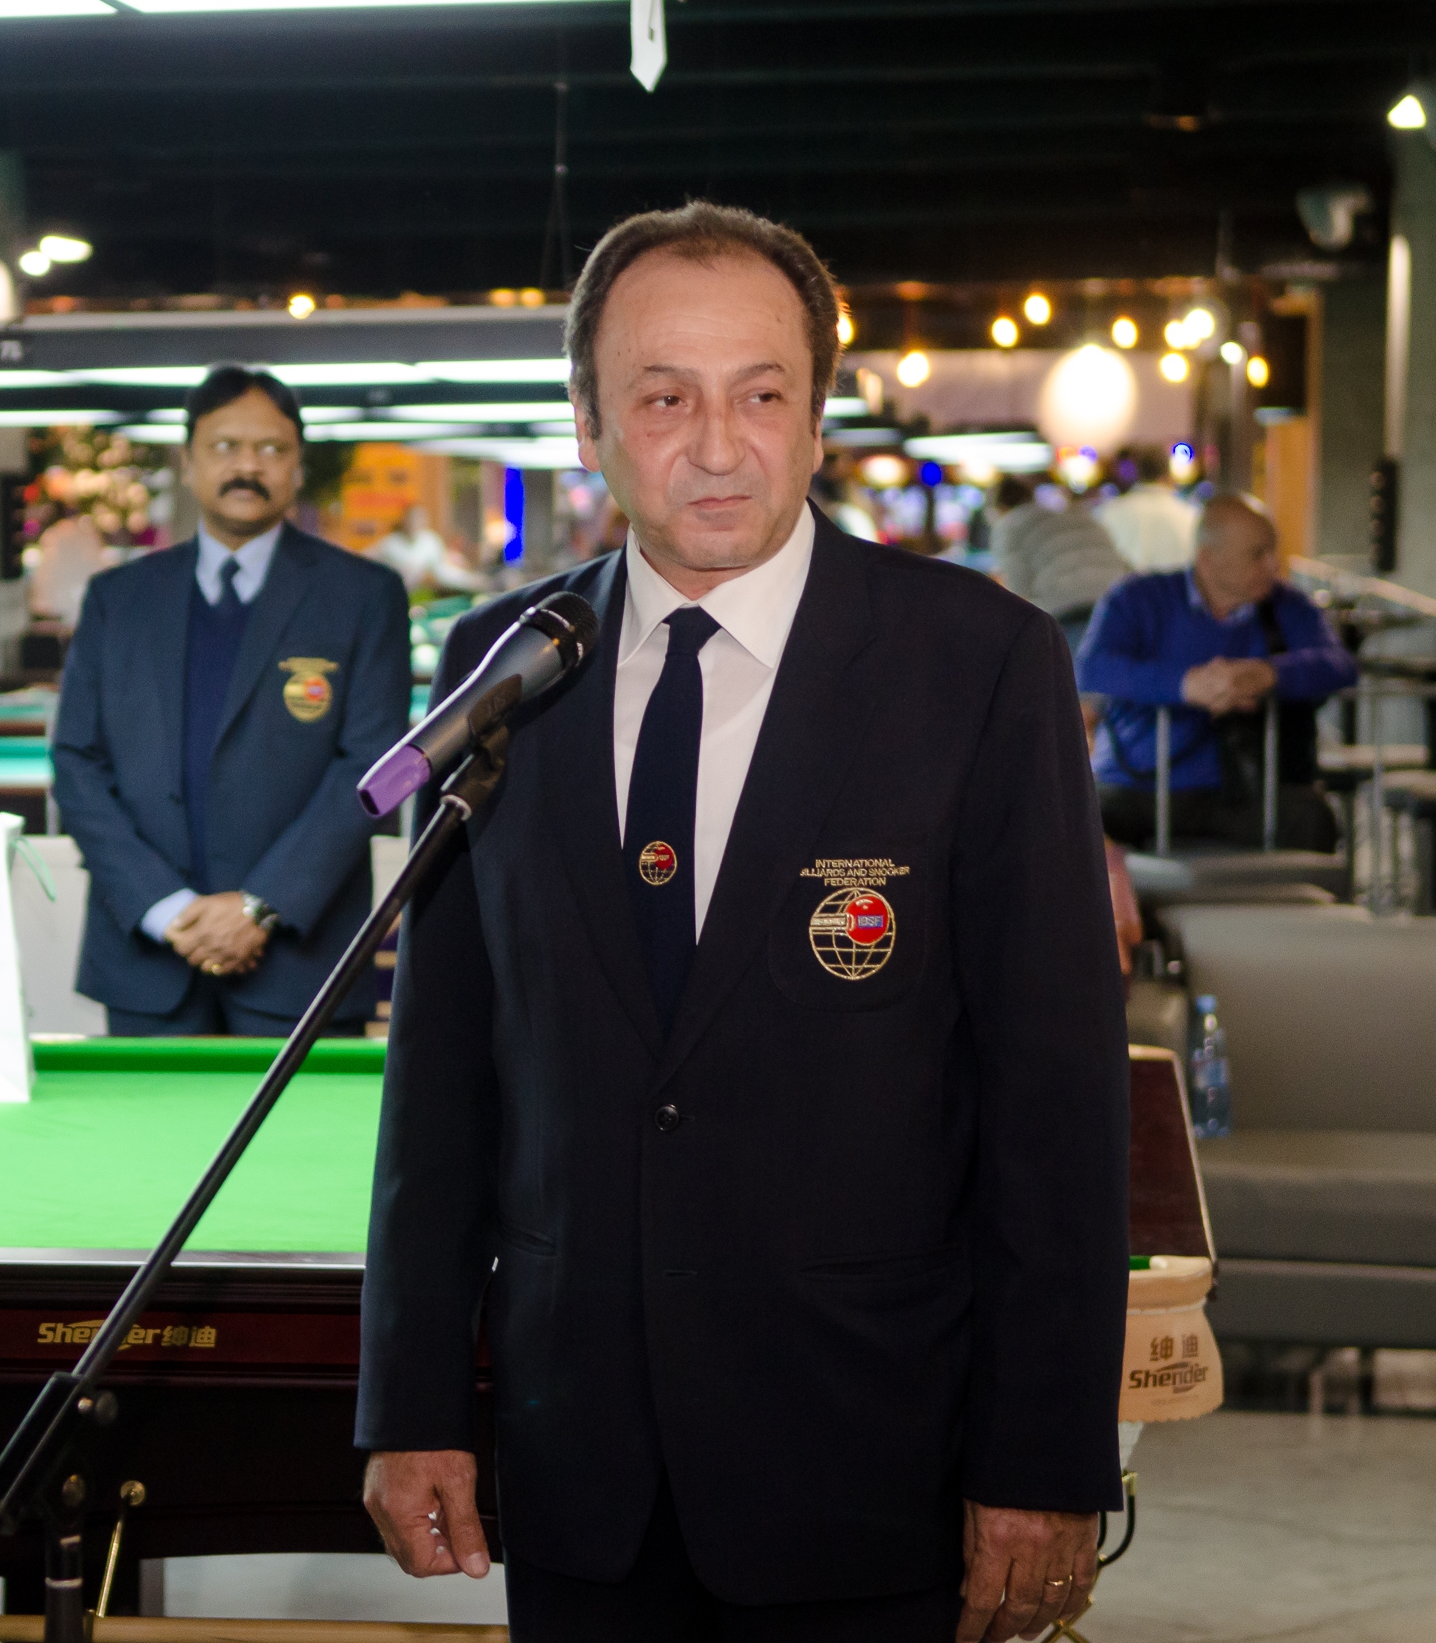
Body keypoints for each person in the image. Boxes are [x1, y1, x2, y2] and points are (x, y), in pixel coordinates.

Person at [357, 202, 1129, 1643]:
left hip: (869, 1453)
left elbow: (1057, 1103)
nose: (719, 447)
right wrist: (412, 1404)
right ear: (587, 426)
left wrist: (1041, 1460)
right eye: (665, 399)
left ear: (818, 417)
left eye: (761, 395)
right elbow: (442, 1076)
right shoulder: (501, 665)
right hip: (577, 1457)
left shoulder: (980, 664)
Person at [53, 366, 410, 1038]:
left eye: (271, 449)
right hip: (147, 958)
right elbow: (76, 765)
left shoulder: (363, 596)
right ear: (188, 462)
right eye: (225, 447)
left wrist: (260, 905)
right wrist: (164, 908)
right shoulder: (117, 600)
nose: (248, 466)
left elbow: (374, 769)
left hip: (301, 963)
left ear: (297, 465)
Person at [1077, 493, 1353, 854]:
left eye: (1273, 552)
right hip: (1135, 786)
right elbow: (1091, 668)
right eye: (1258, 554)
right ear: (1208, 559)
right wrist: (1185, 685)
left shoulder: (1287, 605)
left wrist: (1270, 675)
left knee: (1312, 818)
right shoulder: (1138, 597)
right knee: (1077, 823)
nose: (1273, 566)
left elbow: (1340, 665)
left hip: (1240, 790)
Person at [987, 475, 1131, 652]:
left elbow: (1017, 595)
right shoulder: (1079, 516)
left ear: (999, 508)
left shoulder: (1009, 525)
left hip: (1067, 613)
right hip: (1116, 610)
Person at [1093, 447, 1196, 574]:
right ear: (1169, 475)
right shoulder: (1193, 515)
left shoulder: (1106, 514)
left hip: (1123, 585)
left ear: (1137, 473)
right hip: (1177, 586)